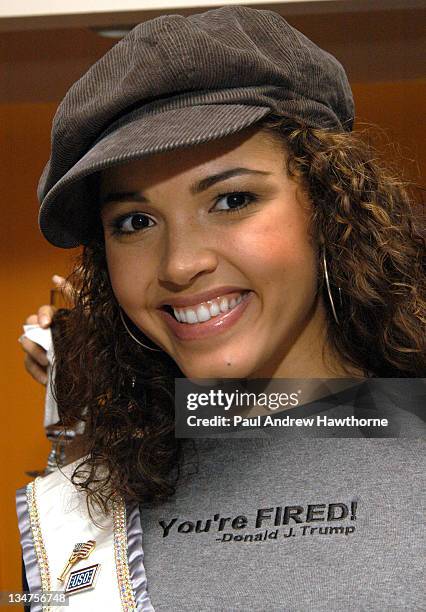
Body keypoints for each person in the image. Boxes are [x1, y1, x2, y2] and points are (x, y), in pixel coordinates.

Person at [17, 6, 425, 611]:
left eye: (232, 199)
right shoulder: (81, 511)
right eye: (134, 221)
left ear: (332, 209)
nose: (179, 264)